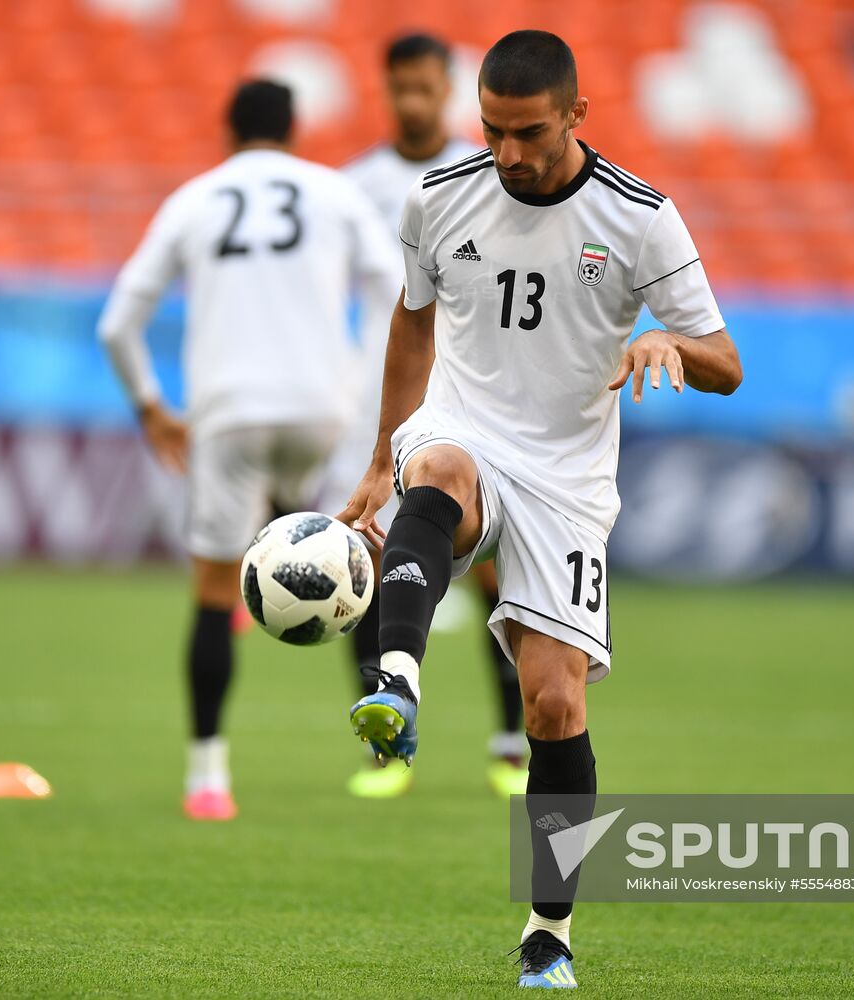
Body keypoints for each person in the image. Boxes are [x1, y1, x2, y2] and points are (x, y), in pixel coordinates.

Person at [338, 30, 741, 989]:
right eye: (491, 130)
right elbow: (410, 322)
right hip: (466, 426)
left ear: (575, 116)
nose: (507, 153)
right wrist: (373, 461)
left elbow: (727, 361)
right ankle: (397, 678)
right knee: (435, 472)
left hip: (567, 478)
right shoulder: (440, 199)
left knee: (553, 703)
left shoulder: (641, 219)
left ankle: (549, 929)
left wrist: (668, 347)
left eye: (527, 134)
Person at [98, 79, 399, 822]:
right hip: (322, 410)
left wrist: (151, 409)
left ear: (227, 132)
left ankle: (208, 778)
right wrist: (365, 389)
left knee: (210, 593)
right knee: (352, 562)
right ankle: (383, 749)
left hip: (228, 412)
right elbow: (397, 288)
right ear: (295, 129)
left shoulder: (197, 198)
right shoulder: (332, 192)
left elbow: (117, 324)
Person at [327, 32, 528, 800]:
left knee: (496, 573)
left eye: (425, 87)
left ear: (448, 88)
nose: (412, 101)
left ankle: (510, 741)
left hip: (477, 397)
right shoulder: (356, 187)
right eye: (399, 88)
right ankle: (387, 748)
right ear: (385, 90)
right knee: (371, 559)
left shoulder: (483, 181)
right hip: (387, 398)